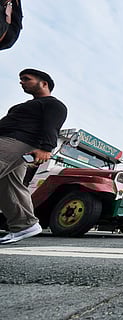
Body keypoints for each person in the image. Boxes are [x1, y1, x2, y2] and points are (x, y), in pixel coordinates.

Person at [0, 69, 67, 244]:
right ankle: (24, 224)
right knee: (8, 186)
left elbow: (51, 126)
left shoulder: (53, 104)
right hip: (11, 143)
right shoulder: (18, 107)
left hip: (17, 142)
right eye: (20, 79)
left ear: (43, 83)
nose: (21, 82)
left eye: (26, 79)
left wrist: (46, 148)